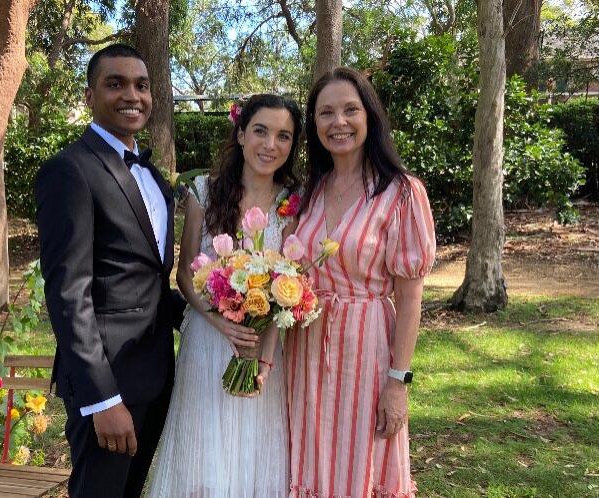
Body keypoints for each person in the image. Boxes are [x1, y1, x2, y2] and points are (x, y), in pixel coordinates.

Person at [35, 44, 185, 498]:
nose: (131, 95)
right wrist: (103, 398)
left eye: (141, 85)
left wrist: (217, 317)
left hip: (155, 376)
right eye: (115, 83)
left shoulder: (155, 179)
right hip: (108, 385)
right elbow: (68, 294)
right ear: (90, 95)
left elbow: (149, 283)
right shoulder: (69, 171)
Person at [285, 67, 436, 498]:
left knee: (360, 459)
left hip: (365, 349)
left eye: (350, 110)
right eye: (325, 113)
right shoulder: (308, 191)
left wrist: (397, 382)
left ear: (369, 116)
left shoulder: (401, 192)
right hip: (305, 345)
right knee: (310, 457)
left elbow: (410, 299)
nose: (339, 122)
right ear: (313, 125)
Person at [147, 94, 303, 498]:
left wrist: (264, 358)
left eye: (284, 136)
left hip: (259, 347)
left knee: (253, 449)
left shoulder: (290, 204)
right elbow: (185, 274)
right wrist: (218, 322)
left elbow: (287, 288)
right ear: (240, 133)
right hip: (207, 340)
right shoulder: (204, 191)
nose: (271, 145)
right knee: (203, 453)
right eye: (261, 131)